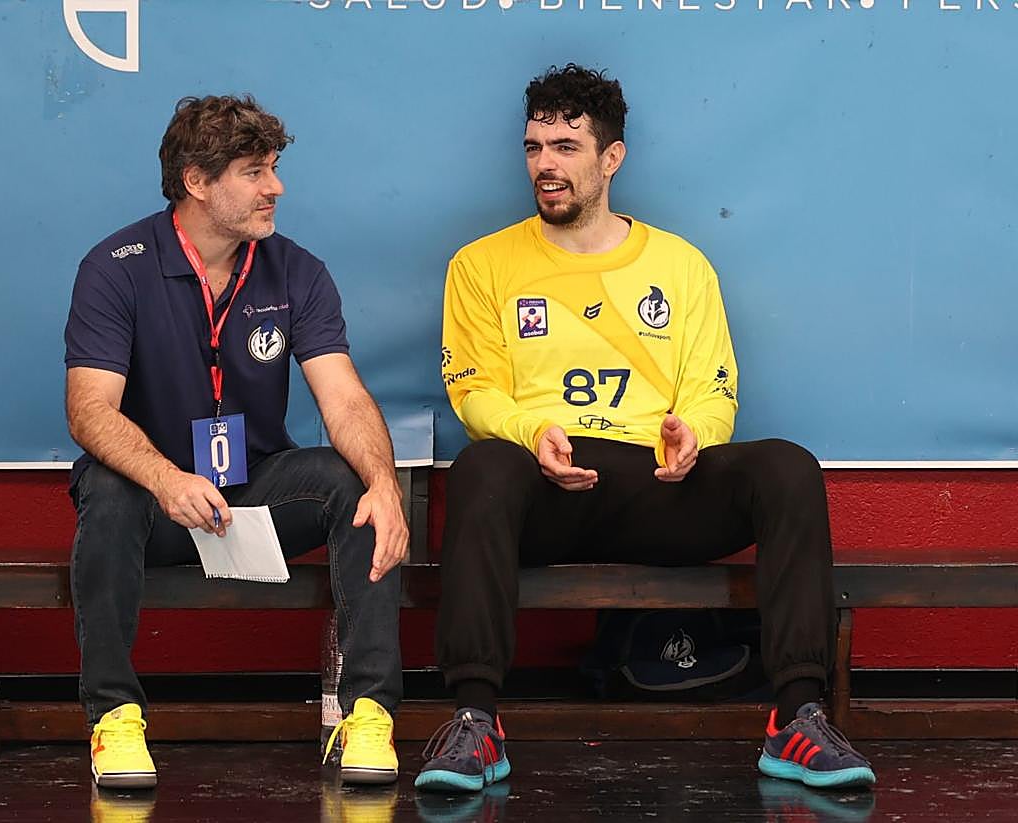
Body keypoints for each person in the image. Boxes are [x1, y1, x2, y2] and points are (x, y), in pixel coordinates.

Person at [417, 65, 875, 793]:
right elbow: (474, 390)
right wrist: (532, 431)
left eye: (566, 147)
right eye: (534, 147)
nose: (545, 165)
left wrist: (695, 433)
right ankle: (475, 722)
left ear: (612, 157)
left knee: (788, 466)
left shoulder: (681, 265)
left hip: (659, 485)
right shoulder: (481, 265)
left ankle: (796, 717)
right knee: (481, 468)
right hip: (546, 487)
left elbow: (713, 386)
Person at [64, 95, 406, 789]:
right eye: (254, 171)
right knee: (106, 485)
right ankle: (115, 718)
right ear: (196, 181)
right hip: (156, 502)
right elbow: (89, 411)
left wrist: (384, 483)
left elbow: (343, 398)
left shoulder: (295, 269)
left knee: (357, 485)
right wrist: (166, 479)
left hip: (252, 493)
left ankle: (368, 713)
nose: (275, 187)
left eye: (273, 167)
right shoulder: (116, 265)